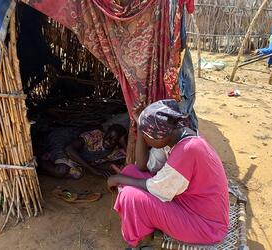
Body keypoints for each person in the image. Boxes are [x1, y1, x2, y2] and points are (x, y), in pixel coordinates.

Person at [107, 99, 229, 248]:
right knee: (131, 171)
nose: (144, 141)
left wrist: (119, 178)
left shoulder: (187, 151)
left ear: (159, 137)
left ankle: (138, 243)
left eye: (146, 138)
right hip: (189, 203)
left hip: (206, 226)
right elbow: (142, 165)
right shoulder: (175, 135)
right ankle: (145, 223)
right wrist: (141, 126)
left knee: (130, 196)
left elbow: (158, 188)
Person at [39, 124, 127, 179]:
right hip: (64, 142)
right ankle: (38, 164)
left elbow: (131, 158)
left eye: (114, 139)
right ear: (105, 133)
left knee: (76, 174)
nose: (108, 140)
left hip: (75, 157)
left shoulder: (115, 152)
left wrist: (123, 142)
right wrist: (93, 170)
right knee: (61, 171)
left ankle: (48, 159)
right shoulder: (96, 135)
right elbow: (69, 149)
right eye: (108, 136)